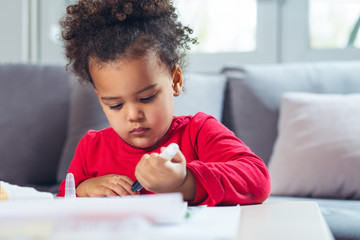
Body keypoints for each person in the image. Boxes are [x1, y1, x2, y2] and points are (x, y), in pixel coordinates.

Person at [57, 0, 271, 206]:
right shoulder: (91, 148)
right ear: (100, 99)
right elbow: (61, 202)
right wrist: (85, 190)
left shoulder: (199, 132)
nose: (133, 115)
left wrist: (186, 182)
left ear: (175, 81)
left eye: (146, 98)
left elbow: (258, 179)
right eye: (115, 105)